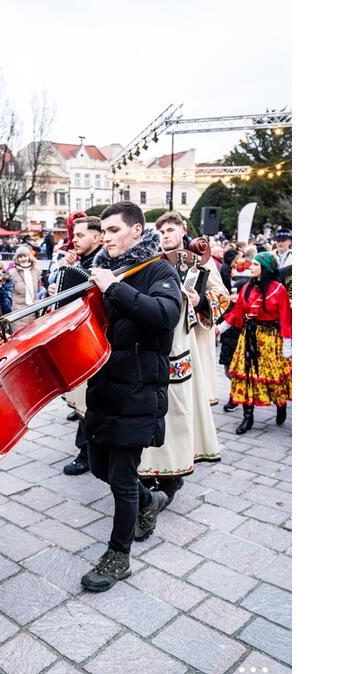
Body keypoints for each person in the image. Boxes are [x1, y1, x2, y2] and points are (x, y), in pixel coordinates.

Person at [80, 202, 182, 592]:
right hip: (105, 386)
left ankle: (118, 555)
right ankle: (149, 502)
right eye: (102, 231)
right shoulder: (110, 270)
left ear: (137, 231)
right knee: (99, 467)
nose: (105, 237)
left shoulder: (159, 270)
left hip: (139, 389)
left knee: (121, 476)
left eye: (112, 230)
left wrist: (115, 288)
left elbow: (164, 315)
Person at [137, 212, 227, 508]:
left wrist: (202, 302)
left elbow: (222, 296)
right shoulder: (153, 260)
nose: (165, 234)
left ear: (182, 230)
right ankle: (156, 468)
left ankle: (173, 473)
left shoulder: (199, 261)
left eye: (170, 229)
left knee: (184, 407)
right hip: (161, 345)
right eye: (160, 229)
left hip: (189, 344)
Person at [216, 251, 292, 434]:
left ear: (265, 268)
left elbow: (285, 319)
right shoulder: (247, 288)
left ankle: (280, 405)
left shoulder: (278, 290)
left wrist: (288, 347)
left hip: (271, 340)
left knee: (273, 377)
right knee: (245, 376)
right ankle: (247, 417)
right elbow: (237, 312)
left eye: (256, 265)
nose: (251, 267)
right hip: (249, 338)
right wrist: (220, 328)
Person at [53, 215, 104, 476]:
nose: (74, 240)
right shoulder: (78, 263)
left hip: (96, 341)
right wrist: (59, 280)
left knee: (89, 402)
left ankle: (86, 453)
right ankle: (89, 450)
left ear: (97, 237)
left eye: (80, 235)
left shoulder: (103, 265)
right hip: (80, 339)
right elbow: (63, 296)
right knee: (86, 401)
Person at [219, 279, 249, 412]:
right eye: (232, 293)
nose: (234, 296)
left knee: (235, 374)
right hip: (227, 346)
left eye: (238, 293)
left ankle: (235, 398)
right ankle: (240, 393)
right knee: (227, 372)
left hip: (238, 346)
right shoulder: (227, 306)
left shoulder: (244, 310)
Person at [7, 244, 43, 333]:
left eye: (25, 256)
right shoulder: (12, 273)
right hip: (19, 313)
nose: (23, 259)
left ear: (29, 257)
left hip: (33, 312)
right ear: (16, 259)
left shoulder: (36, 271)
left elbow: (38, 287)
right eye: (20, 257)